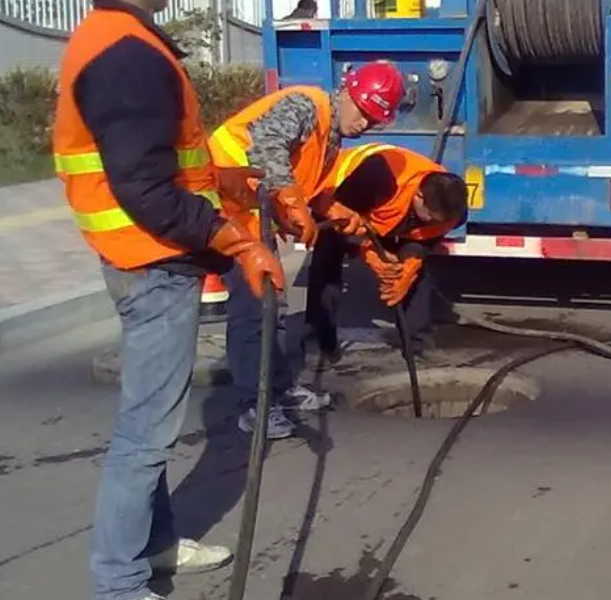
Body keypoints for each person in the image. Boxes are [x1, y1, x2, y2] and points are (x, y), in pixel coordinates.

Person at [52, 0, 284, 598]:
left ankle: (152, 546)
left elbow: (158, 159)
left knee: (148, 419)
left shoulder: (116, 38)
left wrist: (216, 179)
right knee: (145, 433)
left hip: (140, 255)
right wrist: (235, 240)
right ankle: (119, 582)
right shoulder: (126, 54)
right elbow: (144, 186)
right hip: (150, 260)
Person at [208, 61, 405, 438]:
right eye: (363, 110)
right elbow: (266, 143)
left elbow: (310, 188)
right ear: (346, 91)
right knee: (256, 307)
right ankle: (256, 405)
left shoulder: (330, 139)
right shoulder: (306, 105)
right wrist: (291, 201)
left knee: (273, 306)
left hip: (253, 209)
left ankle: (277, 389)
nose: (365, 123)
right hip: (228, 204)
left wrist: (336, 211)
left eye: (374, 119)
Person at [306, 143, 468, 361]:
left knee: (414, 276)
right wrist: (371, 255)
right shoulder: (378, 175)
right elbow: (341, 222)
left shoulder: (452, 210)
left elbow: (426, 237)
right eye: (429, 216)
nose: (431, 221)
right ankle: (322, 341)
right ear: (419, 196)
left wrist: (411, 262)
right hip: (339, 203)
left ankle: (415, 343)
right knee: (327, 262)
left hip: (388, 218)